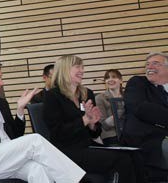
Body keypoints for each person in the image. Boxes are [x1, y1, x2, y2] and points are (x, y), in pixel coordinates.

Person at [0, 58, 86, 183]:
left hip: (9, 158)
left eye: (1, 78)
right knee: (35, 140)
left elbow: (15, 136)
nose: (2, 83)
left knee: (37, 170)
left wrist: (20, 110)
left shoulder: (1, 102)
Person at [42, 55, 145, 183]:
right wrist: (85, 120)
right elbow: (58, 133)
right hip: (66, 151)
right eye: (77, 67)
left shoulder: (87, 93)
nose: (82, 70)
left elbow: (96, 133)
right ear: (64, 69)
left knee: (136, 155)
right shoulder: (52, 96)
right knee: (123, 160)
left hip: (87, 145)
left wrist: (92, 124)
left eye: (82, 67)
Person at [121, 52, 168, 172]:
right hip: (147, 139)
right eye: (147, 64)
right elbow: (140, 108)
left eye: (155, 63)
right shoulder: (138, 82)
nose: (149, 67)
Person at [95, 69, 125, 146]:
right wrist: (123, 109)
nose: (110, 80)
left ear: (121, 81)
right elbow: (104, 125)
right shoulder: (100, 98)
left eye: (114, 77)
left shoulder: (128, 96)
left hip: (129, 134)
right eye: (107, 78)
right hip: (111, 137)